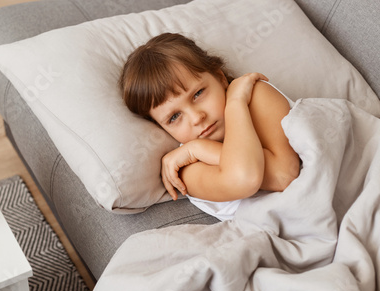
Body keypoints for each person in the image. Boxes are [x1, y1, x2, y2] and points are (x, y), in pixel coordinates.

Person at [119, 32, 300, 220]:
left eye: (198, 94)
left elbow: (284, 176)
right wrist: (197, 149)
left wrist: (235, 104)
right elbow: (244, 178)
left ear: (220, 77)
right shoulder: (187, 170)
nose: (197, 118)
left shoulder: (253, 96)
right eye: (174, 117)